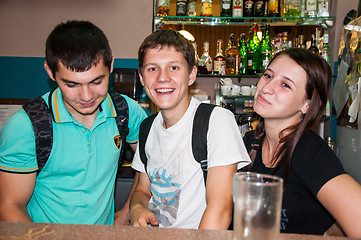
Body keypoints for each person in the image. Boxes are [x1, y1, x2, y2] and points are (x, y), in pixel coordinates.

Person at [0, 20, 147, 225]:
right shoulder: (25, 127)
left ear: (111, 65)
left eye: (96, 81)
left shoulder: (126, 111)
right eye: (72, 84)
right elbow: (10, 206)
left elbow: (153, 160)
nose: (86, 96)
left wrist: (128, 209)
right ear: (50, 72)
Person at [129, 29, 251, 230]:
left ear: (192, 74)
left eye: (174, 67)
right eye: (152, 69)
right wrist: (137, 209)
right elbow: (142, 190)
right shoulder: (147, 127)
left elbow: (220, 208)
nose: (162, 78)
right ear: (142, 78)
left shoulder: (216, 121)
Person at [243, 48, 361, 238]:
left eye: (285, 85)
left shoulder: (309, 153)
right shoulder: (251, 142)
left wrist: (328, 235)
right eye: (268, 75)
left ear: (307, 105)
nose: (266, 88)